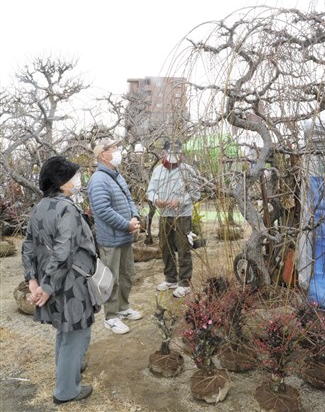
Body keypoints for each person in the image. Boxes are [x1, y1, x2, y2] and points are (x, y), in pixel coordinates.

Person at [22, 156, 97, 405]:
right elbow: (64, 252)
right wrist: (46, 286)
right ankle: (66, 391)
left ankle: (66, 376)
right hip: (70, 285)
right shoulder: (67, 209)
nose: (78, 180)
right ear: (62, 183)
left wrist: (34, 281)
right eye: (73, 177)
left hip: (52, 281)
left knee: (64, 333)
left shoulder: (40, 207)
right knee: (77, 334)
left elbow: (28, 247)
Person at [87, 138, 142, 335]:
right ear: (103, 155)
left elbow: (129, 199)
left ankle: (124, 307)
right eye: (114, 148)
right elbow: (102, 210)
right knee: (111, 279)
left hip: (125, 236)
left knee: (127, 274)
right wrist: (126, 224)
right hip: (111, 239)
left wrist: (135, 217)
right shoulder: (98, 180)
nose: (118, 151)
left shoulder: (117, 176)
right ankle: (111, 317)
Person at [147, 140, 201, 298]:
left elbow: (196, 193)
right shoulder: (157, 171)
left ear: (181, 153)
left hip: (182, 215)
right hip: (164, 215)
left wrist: (180, 201)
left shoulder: (188, 170)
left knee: (183, 248)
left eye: (177, 153)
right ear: (164, 153)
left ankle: (184, 283)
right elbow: (150, 191)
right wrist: (156, 199)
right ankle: (170, 278)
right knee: (166, 247)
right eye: (170, 153)